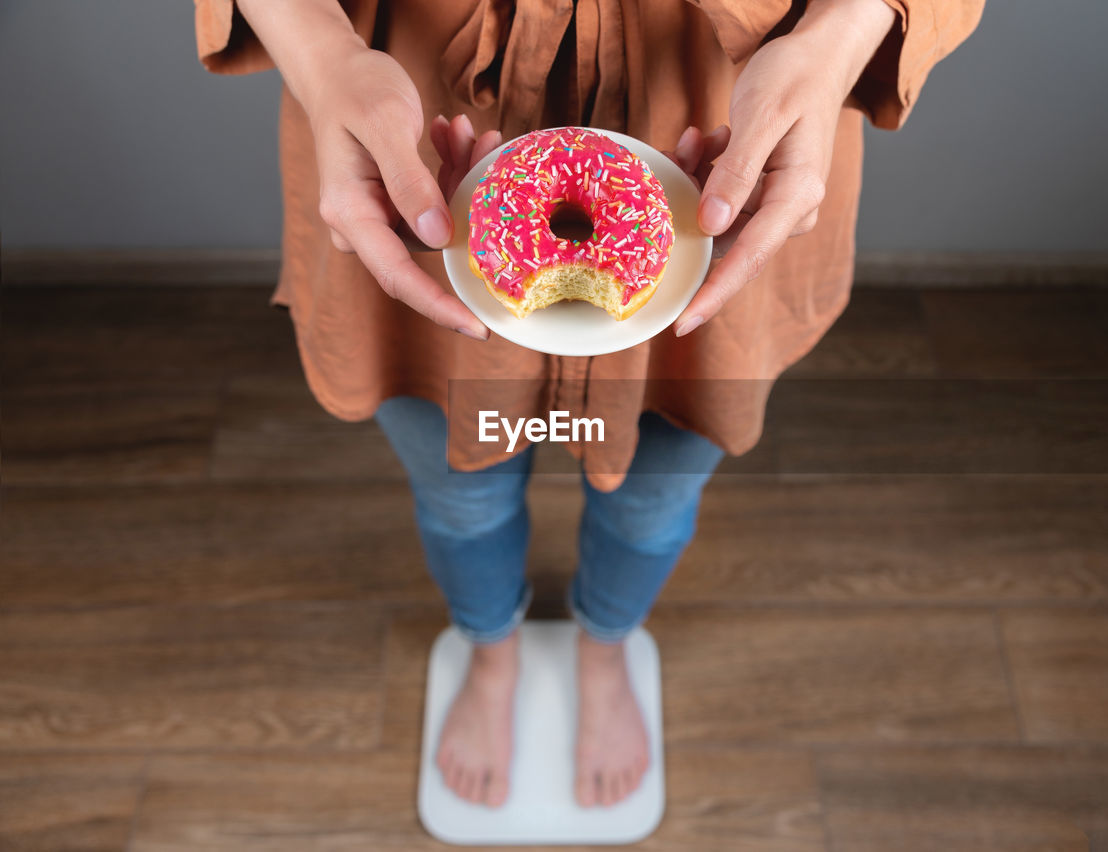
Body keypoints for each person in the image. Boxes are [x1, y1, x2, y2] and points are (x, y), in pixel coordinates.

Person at [194, 0, 982, 810]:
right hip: (416, 116)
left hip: (724, 122)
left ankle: (605, 648)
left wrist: (836, 39)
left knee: (657, 496)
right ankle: (491, 652)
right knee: (456, 489)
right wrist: (322, 55)